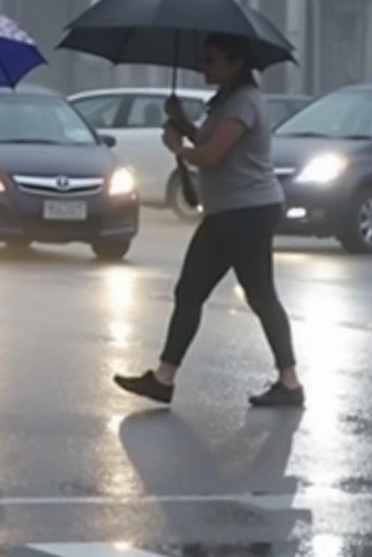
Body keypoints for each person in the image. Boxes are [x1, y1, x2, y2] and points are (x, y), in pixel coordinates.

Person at [114, 32, 304, 408]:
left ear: (236, 63)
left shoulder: (245, 102)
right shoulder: (227, 100)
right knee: (190, 291)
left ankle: (290, 382)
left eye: (213, 59)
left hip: (247, 211)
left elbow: (212, 154)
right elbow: (207, 139)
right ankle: (164, 378)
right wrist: (183, 122)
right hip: (227, 211)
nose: (205, 65)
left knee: (260, 294)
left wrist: (178, 148)